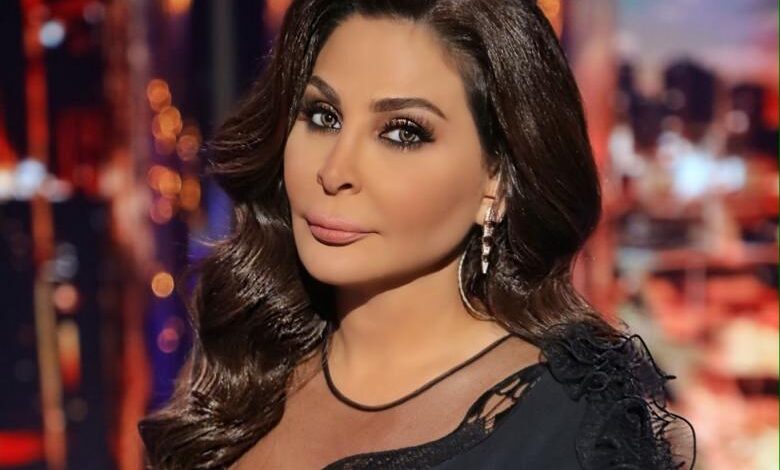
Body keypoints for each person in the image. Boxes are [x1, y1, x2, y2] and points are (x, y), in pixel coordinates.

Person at [138, 0, 697, 468]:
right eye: (323, 116)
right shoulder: (246, 364)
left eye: (403, 132)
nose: (334, 171)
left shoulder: (565, 430)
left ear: (497, 179)